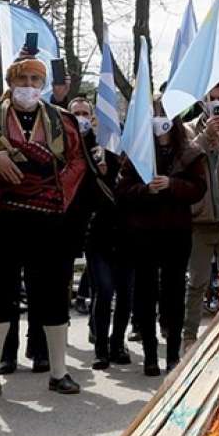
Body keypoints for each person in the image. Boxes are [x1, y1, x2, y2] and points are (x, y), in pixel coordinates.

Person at [0, 56, 86, 402]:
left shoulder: (60, 119)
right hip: (4, 217)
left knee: (52, 295)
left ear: (44, 85)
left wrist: (57, 192)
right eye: (23, 79)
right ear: (10, 82)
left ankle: (58, 372)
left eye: (37, 80)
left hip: (48, 218)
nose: (30, 86)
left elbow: (79, 160)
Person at [117, 109, 207, 375]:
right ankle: (149, 355)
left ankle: (172, 355)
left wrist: (172, 184)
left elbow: (198, 189)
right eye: (154, 114)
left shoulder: (189, 153)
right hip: (144, 234)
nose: (159, 120)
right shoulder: (137, 153)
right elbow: (122, 190)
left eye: (164, 114)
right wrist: (147, 189)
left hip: (176, 233)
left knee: (174, 293)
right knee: (145, 293)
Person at [71, 97, 131, 369]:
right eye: (78, 114)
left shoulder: (116, 147)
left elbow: (129, 183)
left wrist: (112, 168)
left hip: (126, 233)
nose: (83, 117)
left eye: (87, 113)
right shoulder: (77, 149)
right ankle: (101, 348)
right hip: (97, 235)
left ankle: (118, 343)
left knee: (125, 294)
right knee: (104, 292)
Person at [183, 83, 219, 344]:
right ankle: (189, 339)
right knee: (197, 282)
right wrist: (207, 135)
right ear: (203, 101)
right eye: (211, 99)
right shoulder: (189, 129)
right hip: (201, 221)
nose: (216, 103)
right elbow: (186, 158)